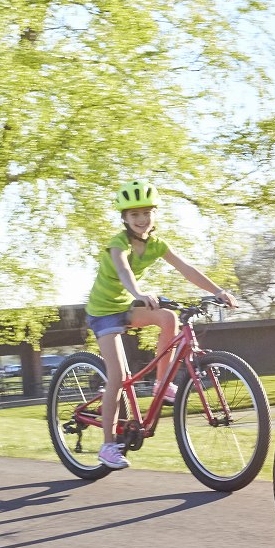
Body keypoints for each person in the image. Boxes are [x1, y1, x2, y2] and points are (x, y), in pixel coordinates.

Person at [86, 181, 238, 470]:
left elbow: (187, 269)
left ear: (154, 214)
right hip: (104, 312)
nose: (141, 220)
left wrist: (218, 291)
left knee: (168, 318)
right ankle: (107, 446)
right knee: (117, 376)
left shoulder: (156, 245)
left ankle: (161, 384)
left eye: (146, 213)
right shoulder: (118, 243)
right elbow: (123, 269)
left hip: (126, 307)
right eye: (134, 216)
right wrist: (139, 294)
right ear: (124, 219)